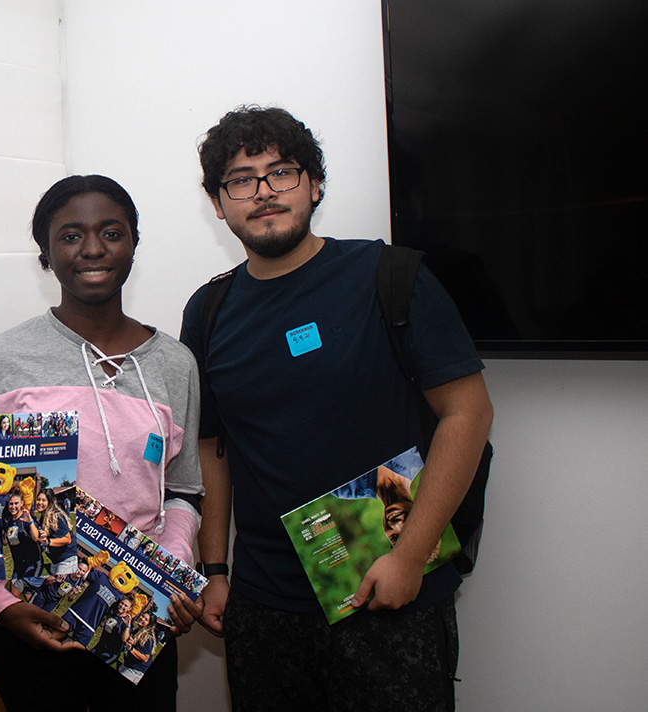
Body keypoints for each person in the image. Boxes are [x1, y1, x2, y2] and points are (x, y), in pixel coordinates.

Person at [181, 106, 494, 711]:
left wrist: (406, 558)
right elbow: (212, 447)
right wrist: (215, 569)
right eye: (241, 179)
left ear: (315, 184)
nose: (265, 192)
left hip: (388, 589)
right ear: (219, 204)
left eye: (282, 172)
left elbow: (469, 415)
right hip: (263, 605)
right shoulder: (208, 310)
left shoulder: (391, 275)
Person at [0, 175, 205, 710]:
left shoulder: (175, 364)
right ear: (45, 254)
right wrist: (3, 604)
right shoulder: (2, 359)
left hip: (138, 617)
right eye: (70, 235)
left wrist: (169, 575)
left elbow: (183, 492)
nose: (93, 249)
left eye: (111, 232)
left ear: (134, 244)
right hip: (30, 620)